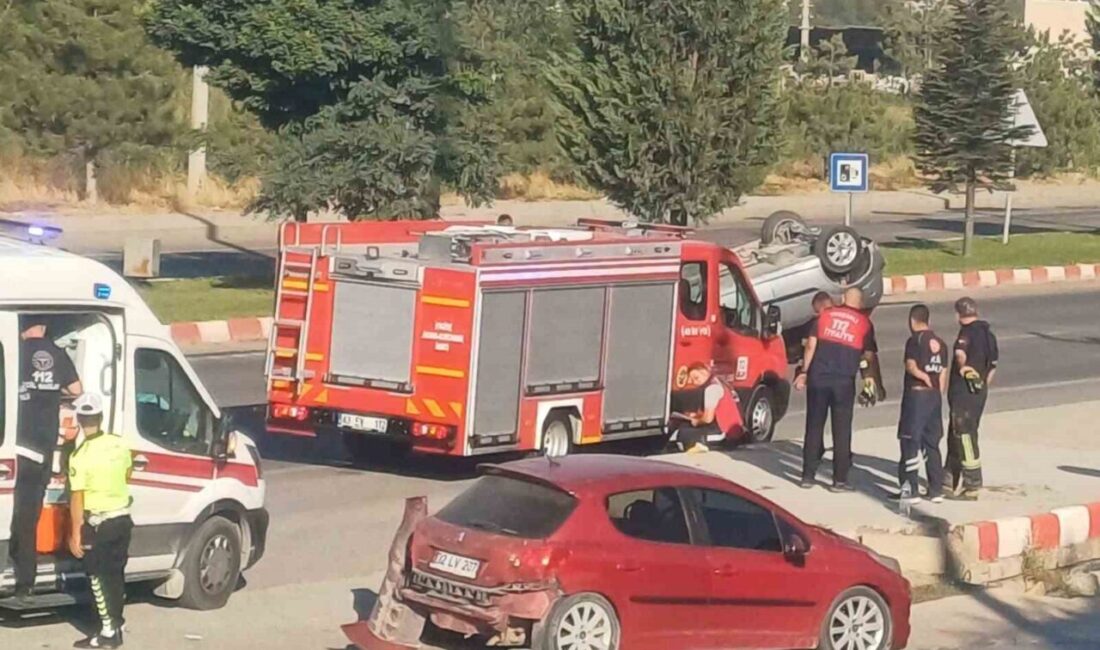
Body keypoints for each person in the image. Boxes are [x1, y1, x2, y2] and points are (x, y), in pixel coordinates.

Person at [9, 318, 82, 602]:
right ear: (44, 327)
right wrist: (52, 394)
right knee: (29, 518)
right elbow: (77, 390)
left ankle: (21, 576)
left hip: (18, 444)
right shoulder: (57, 353)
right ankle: (25, 584)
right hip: (42, 449)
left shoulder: (17, 353)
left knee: (19, 518)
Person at [798, 287, 881, 491]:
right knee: (842, 430)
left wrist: (804, 372)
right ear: (860, 303)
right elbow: (868, 357)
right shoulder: (864, 323)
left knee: (814, 426)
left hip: (818, 378)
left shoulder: (825, 316)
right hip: (843, 381)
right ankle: (839, 481)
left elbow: (810, 346)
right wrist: (870, 381)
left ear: (843, 299)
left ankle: (807, 477)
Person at [68, 392, 132, 649]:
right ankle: (117, 621)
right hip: (122, 519)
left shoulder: (80, 456)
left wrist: (75, 532)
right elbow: (128, 472)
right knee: (115, 574)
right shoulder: (119, 444)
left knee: (96, 576)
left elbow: (77, 497)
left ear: (80, 420)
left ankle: (108, 632)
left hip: (99, 523)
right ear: (101, 417)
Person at [944, 297, 998, 500]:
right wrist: (982, 386)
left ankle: (972, 482)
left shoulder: (965, 333)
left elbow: (960, 354)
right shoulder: (988, 334)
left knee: (964, 436)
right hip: (978, 394)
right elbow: (992, 366)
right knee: (957, 434)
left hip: (963, 394)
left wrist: (964, 368)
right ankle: (948, 478)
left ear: (957, 314)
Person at [894, 304, 948, 505]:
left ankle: (911, 489)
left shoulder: (914, 341)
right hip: (934, 397)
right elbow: (943, 370)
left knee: (910, 441)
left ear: (912, 320)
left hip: (916, 397)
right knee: (931, 443)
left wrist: (923, 377)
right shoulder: (941, 343)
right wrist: (937, 390)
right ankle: (936, 490)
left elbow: (910, 366)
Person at [671, 363, 742, 454]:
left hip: (724, 433)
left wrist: (696, 421)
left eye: (696, 378)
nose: (695, 382)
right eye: (692, 381)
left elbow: (708, 419)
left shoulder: (711, 389)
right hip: (733, 431)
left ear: (705, 372)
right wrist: (697, 416)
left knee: (683, 433)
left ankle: (700, 446)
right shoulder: (718, 381)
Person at [791, 291, 835, 391]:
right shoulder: (844, 319)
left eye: (816, 311)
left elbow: (810, 347)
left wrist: (803, 372)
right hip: (843, 372)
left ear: (821, 308)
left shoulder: (817, 323)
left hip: (820, 372)